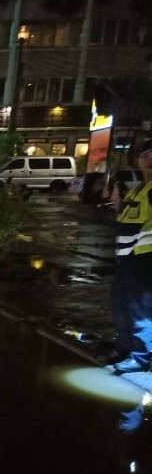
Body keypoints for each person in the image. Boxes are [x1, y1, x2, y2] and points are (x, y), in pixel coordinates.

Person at [109, 136, 152, 373]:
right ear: (137, 161)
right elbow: (125, 221)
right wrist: (118, 204)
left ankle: (141, 356)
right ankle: (123, 348)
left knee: (141, 310)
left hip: (146, 260)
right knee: (121, 305)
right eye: (145, 155)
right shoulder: (137, 190)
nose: (150, 159)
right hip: (127, 260)